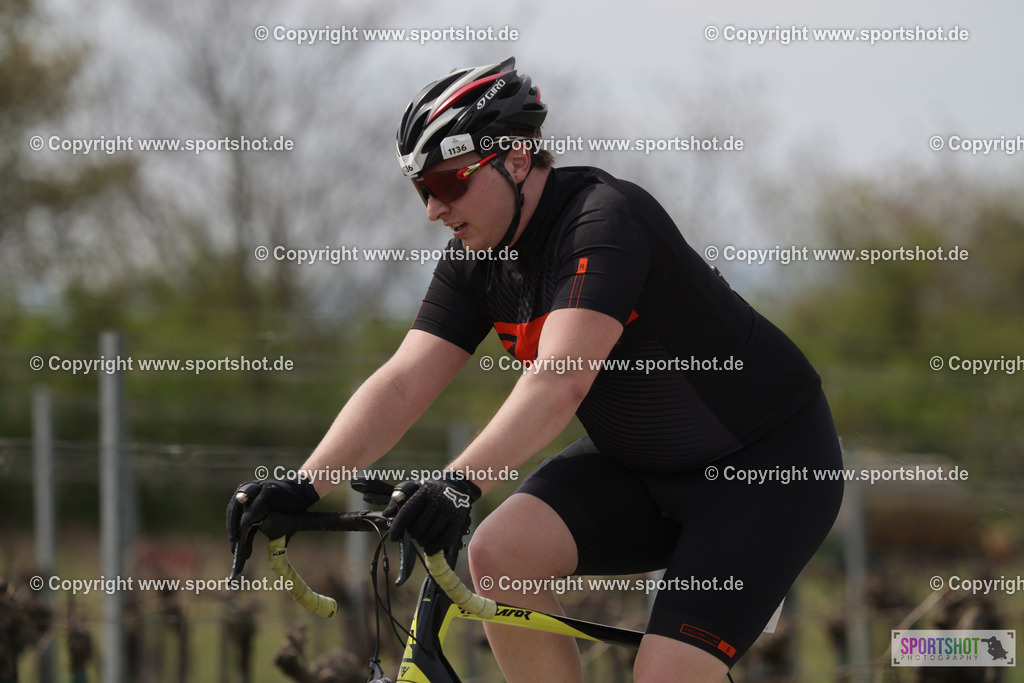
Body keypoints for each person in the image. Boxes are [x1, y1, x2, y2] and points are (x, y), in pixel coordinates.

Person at [226, 57, 844, 682]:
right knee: (500, 553)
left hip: (764, 471)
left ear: (517, 158)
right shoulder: (477, 258)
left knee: (663, 676)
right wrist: (303, 485)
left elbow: (559, 381)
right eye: (421, 188)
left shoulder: (604, 221)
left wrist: (457, 484)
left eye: (446, 181)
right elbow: (405, 379)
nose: (434, 208)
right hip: (640, 466)